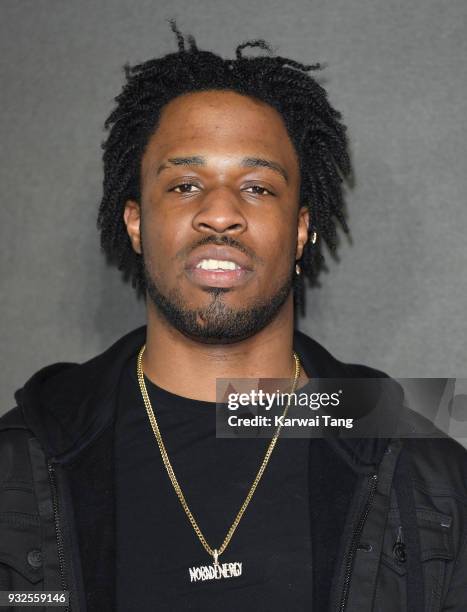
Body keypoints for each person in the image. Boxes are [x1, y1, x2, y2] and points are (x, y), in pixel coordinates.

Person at [1, 22, 466, 612]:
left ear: (301, 230)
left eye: (258, 187)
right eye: (185, 184)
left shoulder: (421, 468)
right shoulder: (23, 457)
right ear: (136, 221)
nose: (219, 213)